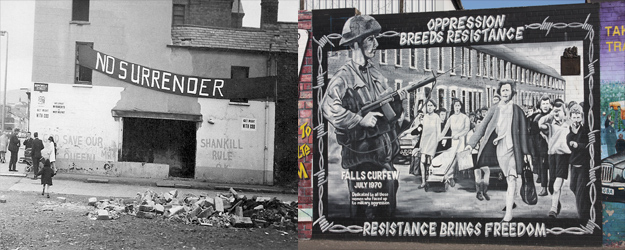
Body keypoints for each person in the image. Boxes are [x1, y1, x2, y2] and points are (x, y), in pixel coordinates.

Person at [320, 15, 409, 218]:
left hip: (381, 154)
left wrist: (398, 102)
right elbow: (328, 108)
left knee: (386, 204)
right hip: (360, 158)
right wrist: (360, 119)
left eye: (375, 38)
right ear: (355, 44)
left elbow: (390, 117)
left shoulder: (376, 76)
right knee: (363, 212)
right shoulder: (343, 77)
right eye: (370, 39)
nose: (376, 44)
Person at [466, 80, 531, 222]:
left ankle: (508, 214)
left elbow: (524, 133)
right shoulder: (494, 109)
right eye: (503, 90)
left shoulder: (517, 110)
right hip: (499, 149)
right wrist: (471, 144)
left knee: (512, 178)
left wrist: (526, 153)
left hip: (514, 147)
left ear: (512, 92)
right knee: (509, 178)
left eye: (508, 90)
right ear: (500, 92)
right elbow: (482, 127)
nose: (505, 93)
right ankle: (511, 201)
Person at [538, 99, 571, 218]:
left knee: (557, 184)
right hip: (552, 157)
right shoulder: (550, 126)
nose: (556, 113)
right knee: (552, 186)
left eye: (559, 111)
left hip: (563, 157)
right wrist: (550, 114)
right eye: (554, 111)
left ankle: (553, 209)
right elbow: (540, 124)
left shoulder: (569, 125)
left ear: (564, 112)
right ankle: (556, 203)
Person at [566, 104, 591, 221]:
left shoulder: (585, 130)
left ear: (581, 118)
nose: (576, 120)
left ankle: (583, 216)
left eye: (577, 117)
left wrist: (578, 145)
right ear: (570, 117)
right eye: (574, 117)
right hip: (574, 165)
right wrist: (573, 134)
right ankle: (584, 206)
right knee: (573, 187)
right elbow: (568, 143)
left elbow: (587, 145)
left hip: (583, 166)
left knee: (580, 192)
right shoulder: (570, 131)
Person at [439, 98, 471, 187]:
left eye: (458, 106)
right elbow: (445, 129)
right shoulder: (451, 118)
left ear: (460, 106)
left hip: (462, 140)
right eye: (455, 106)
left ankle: (457, 176)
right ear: (453, 107)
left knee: (459, 157)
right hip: (453, 141)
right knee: (452, 157)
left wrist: (459, 135)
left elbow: (467, 129)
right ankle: (451, 176)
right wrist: (440, 137)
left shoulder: (465, 117)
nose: (457, 107)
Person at [414, 99, 442, 188]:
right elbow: (423, 132)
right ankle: (423, 181)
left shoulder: (437, 117)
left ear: (434, 107)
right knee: (422, 161)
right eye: (428, 106)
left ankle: (430, 180)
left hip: (433, 142)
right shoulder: (425, 117)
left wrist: (437, 142)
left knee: (430, 161)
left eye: (431, 106)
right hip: (425, 142)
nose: (429, 107)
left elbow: (439, 132)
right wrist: (420, 145)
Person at [530, 95, 552, 195]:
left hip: (553, 145)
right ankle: (544, 188)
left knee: (553, 167)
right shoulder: (537, 118)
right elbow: (533, 135)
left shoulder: (553, 116)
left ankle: (552, 186)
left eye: (547, 103)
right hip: (541, 146)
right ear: (540, 105)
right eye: (543, 104)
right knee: (543, 167)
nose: (545, 106)